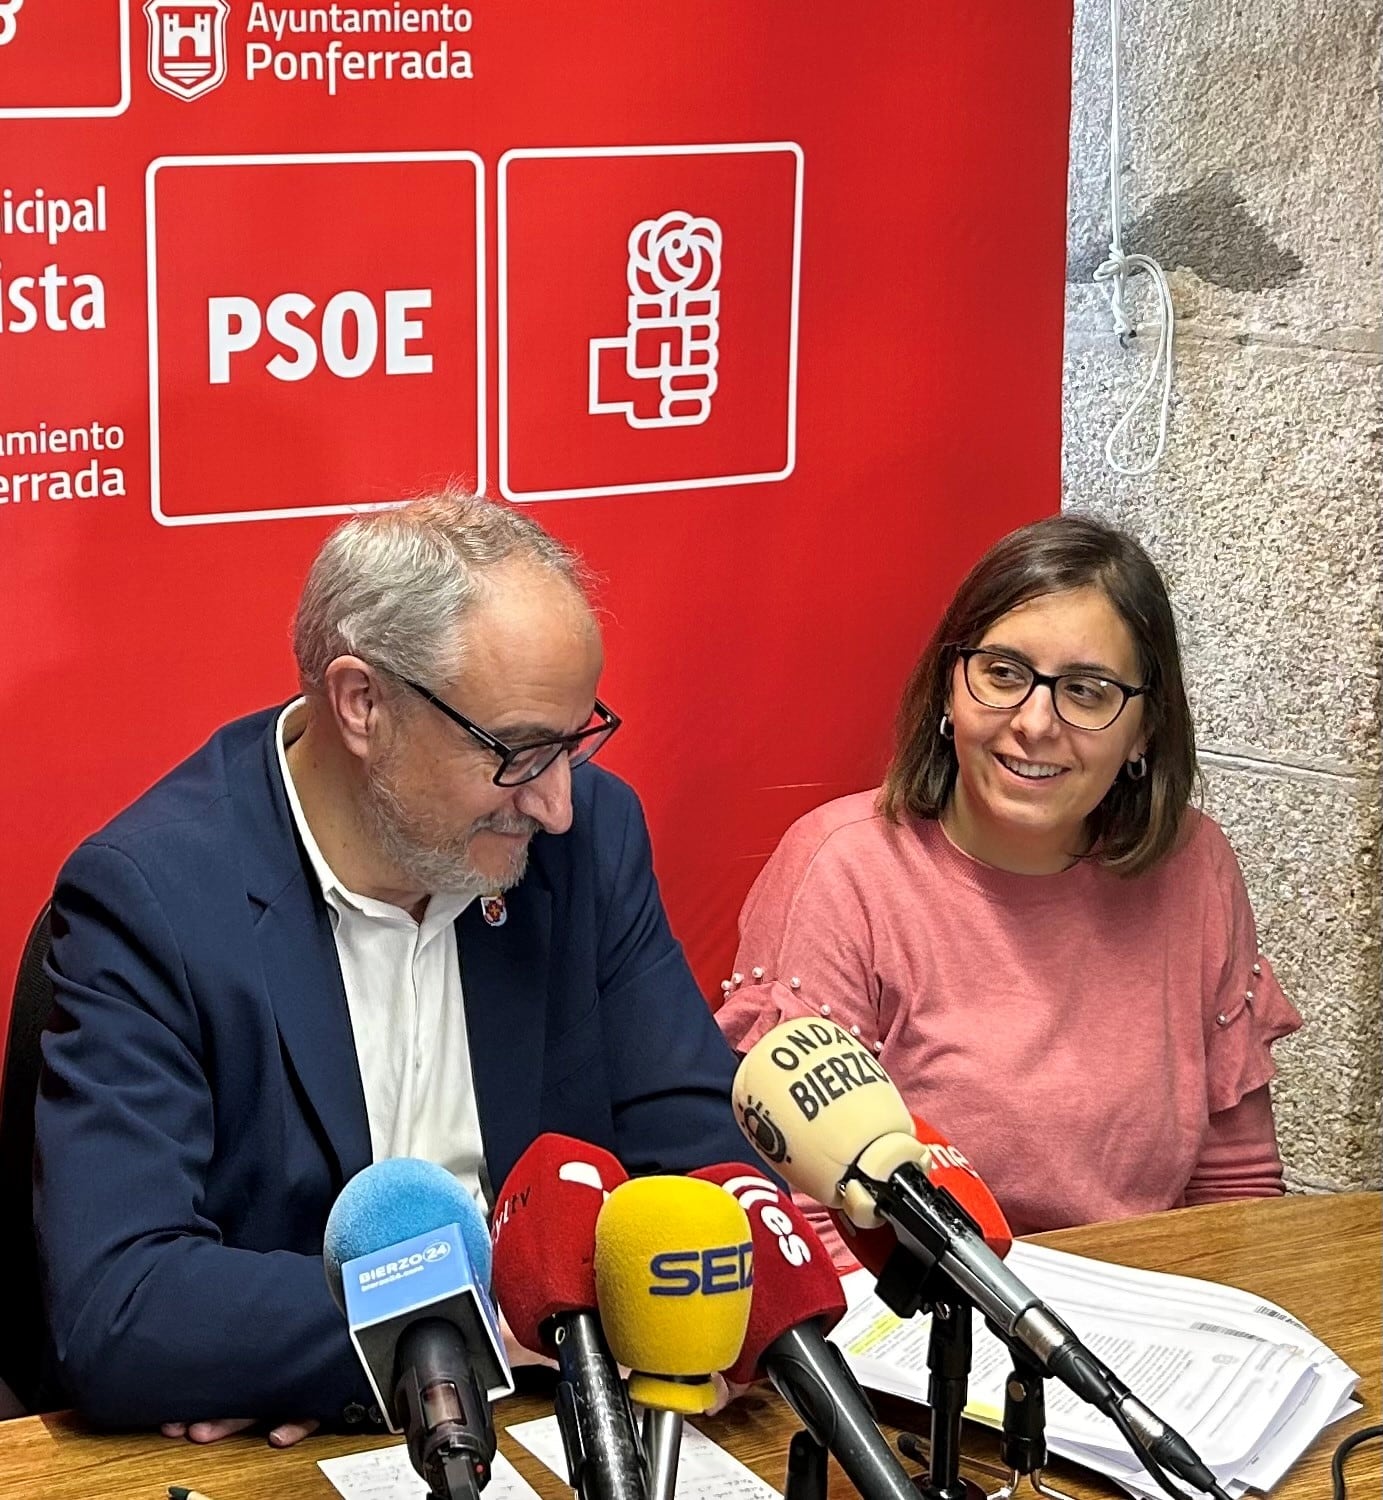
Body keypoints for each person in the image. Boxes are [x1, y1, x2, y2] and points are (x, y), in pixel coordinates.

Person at [36, 494, 749, 1442]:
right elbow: (120, 1308)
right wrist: (458, 1336)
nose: (557, 805)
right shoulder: (154, 898)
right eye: (517, 751)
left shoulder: (589, 845)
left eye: (574, 741)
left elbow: (706, 1166)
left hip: (564, 1426)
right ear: (362, 704)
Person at [716, 514, 1300, 1255]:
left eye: (1085, 692)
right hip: (917, 1330)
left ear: (1144, 730)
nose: (1034, 723)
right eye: (1002, 674)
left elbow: (1234, 1184)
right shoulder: (841, 867)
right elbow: (801, 1212)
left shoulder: (1195, 865)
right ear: (946, 690)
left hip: (1146, 1319)